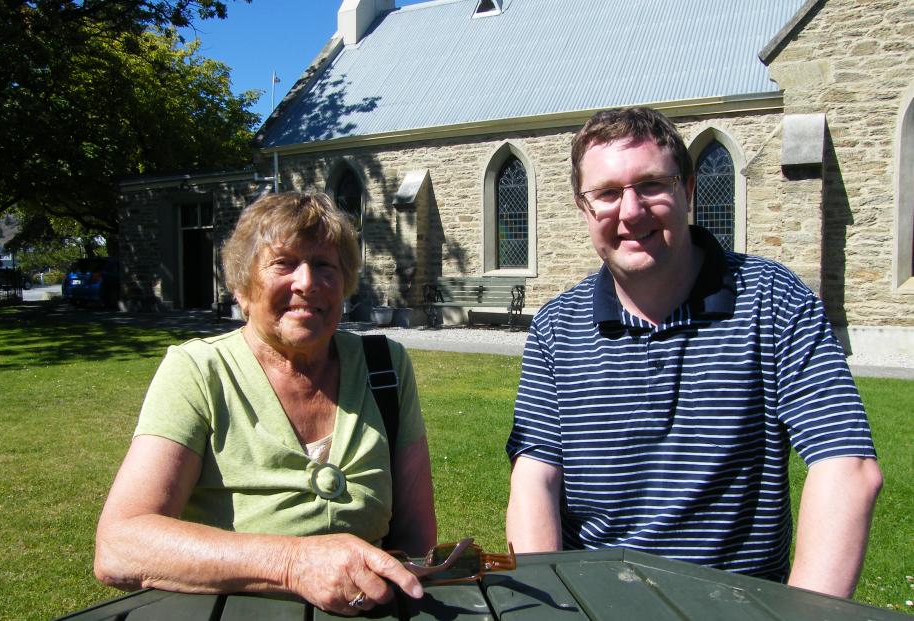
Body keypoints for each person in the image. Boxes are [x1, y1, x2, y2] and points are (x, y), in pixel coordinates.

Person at [505, 107, 882, 598]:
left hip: (735, 606)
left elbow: (846, 467)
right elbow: (535, 479)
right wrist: (551, 605)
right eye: (608, 193)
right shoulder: (557, 326)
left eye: (651, 185)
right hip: (596, 603)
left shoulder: (773, 300)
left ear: (687, 190)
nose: (631, 211)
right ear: (585, 208)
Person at [94, 192, 437, 616]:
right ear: (242, 286)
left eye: (325, 266)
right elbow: (121, 545)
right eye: (284, 263)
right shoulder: (199, 371)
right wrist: (293, 564)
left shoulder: (386, 367)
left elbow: (416, 537)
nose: (307, 282)